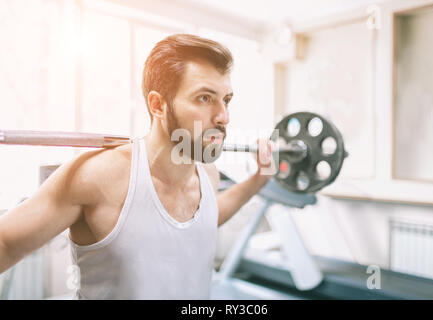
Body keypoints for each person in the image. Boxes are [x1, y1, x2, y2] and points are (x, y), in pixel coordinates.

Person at [0, 34, 275, 299]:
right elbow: (6, 244)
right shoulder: (97, 177)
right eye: (204, 98)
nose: (223, 116)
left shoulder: (206, 173)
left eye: (226, 100)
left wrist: (257, 180)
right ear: (158, 104)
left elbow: (204, 220)